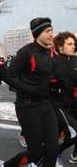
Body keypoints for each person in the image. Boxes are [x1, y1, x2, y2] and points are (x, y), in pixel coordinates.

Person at [0, 17, 58, 167]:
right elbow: (9, 75)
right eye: (47, 31)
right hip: (28, 106)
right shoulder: (26, 52)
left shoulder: (48, 52)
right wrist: (30, 90)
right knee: (35, 152)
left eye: (51, 30)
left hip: (45, 105)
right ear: (37, 33)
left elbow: (44, 76)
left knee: (53, 150)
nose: (51, 34)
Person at [48, 31, 77, 166]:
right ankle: (56, 153)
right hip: (54, 105)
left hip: (69, 105)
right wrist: (54, 89)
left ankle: (44, 159)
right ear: (60, 47)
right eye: (70, 44)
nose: (73, 47)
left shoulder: (73, 63)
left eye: (74, 44)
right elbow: (40, 84)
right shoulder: (52, 62)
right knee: (75, 132)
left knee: (53, 139)